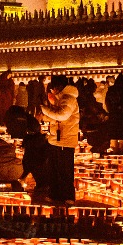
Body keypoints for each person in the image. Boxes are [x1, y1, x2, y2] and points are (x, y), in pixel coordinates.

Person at [40, 75, 79, 204]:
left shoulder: (68, 98)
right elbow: (57, 118)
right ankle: (55, 194)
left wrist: (44, 110)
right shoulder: (61, 98)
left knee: (64, 169)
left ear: (58, 87)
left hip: (65, 139)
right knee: (54, 168)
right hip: (57, 138)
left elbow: (62, 116)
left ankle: (67, 196)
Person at [105, 72, 123, 153]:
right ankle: (121, 153)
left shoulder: (111, 89)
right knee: (122, 137)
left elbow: (107, 103)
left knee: (113, 136)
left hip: (114, 116)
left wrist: (112, 110)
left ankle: (114, 152)